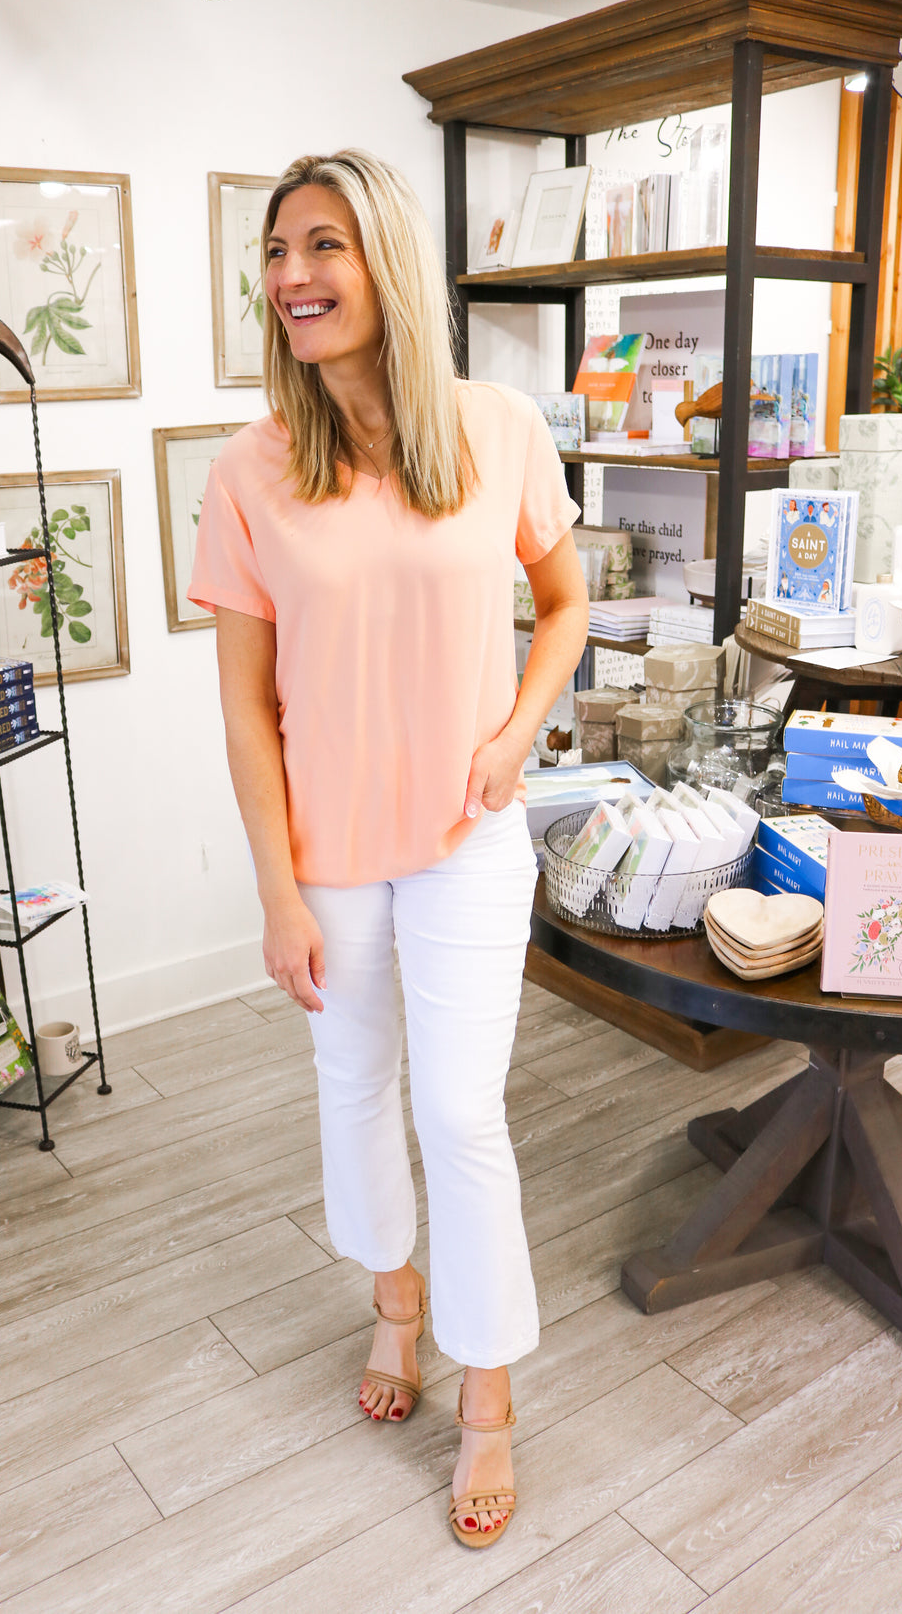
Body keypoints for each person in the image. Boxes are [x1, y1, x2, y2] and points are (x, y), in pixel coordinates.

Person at [188, 148, 589, 1548]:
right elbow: (243, 704)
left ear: (386, 266)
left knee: (459, 1114)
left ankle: (491, 1394)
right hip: (331, 853)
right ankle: (396, 1310)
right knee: (355, 1089)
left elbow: (567, 598)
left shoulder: (497, 428)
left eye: (321, 247)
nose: (291, 277)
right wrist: (276, 890)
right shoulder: (251, 470)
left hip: (470, 836)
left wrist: (520, 733)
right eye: (276, 254)